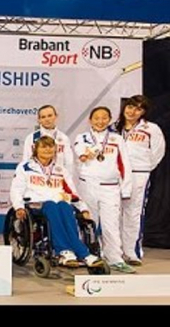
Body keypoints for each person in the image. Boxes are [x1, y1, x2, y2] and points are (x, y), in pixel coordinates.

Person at [11, 136, 104, 268]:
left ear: (55, 150)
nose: (47, 150)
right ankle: (65, 251)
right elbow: (17, 189)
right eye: (43, 147)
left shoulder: (60, 170)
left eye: (50, 147)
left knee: (65, 206)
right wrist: (18, 207)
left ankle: (81, 252)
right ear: (36, 149)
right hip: (36, 202)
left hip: (58, 201)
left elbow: (72, 192)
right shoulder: (25, 167)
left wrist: (83, 208)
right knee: (52, 207)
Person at [74, 106, 135, 273]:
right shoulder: (82, 137)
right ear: (90, 120)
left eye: (104, 118)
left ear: (109, 120)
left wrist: (126, 189)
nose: (100, 121)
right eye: (96, 118)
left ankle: (115, 258)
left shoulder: (116, 139)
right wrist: (89, 152)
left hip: (110, 187)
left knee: (111, 224)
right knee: (88, 223)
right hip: (88, 185)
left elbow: (125, 165)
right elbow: (81, 155)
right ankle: (88, 255)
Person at [112, 95, 166, 265]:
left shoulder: (151, 128)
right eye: (130, 106)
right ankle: (113, 250)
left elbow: (158, 151)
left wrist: (145, 168)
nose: (132, 111)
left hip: (138, 173)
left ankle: (131, 251)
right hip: (115, 175)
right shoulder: (113, 128)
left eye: (138, 108)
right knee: (112, 213)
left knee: (133, 213)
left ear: (143, 112)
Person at [22, 105, 75, 175]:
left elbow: (69, 162)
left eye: (50, 116)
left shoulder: (64, 138)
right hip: (36, 178)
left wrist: (67, 179)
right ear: (39, 120)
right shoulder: (31, 138)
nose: (47, 119)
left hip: (58, 178)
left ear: (56, 116)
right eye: (43, 117)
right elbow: (26, 160)